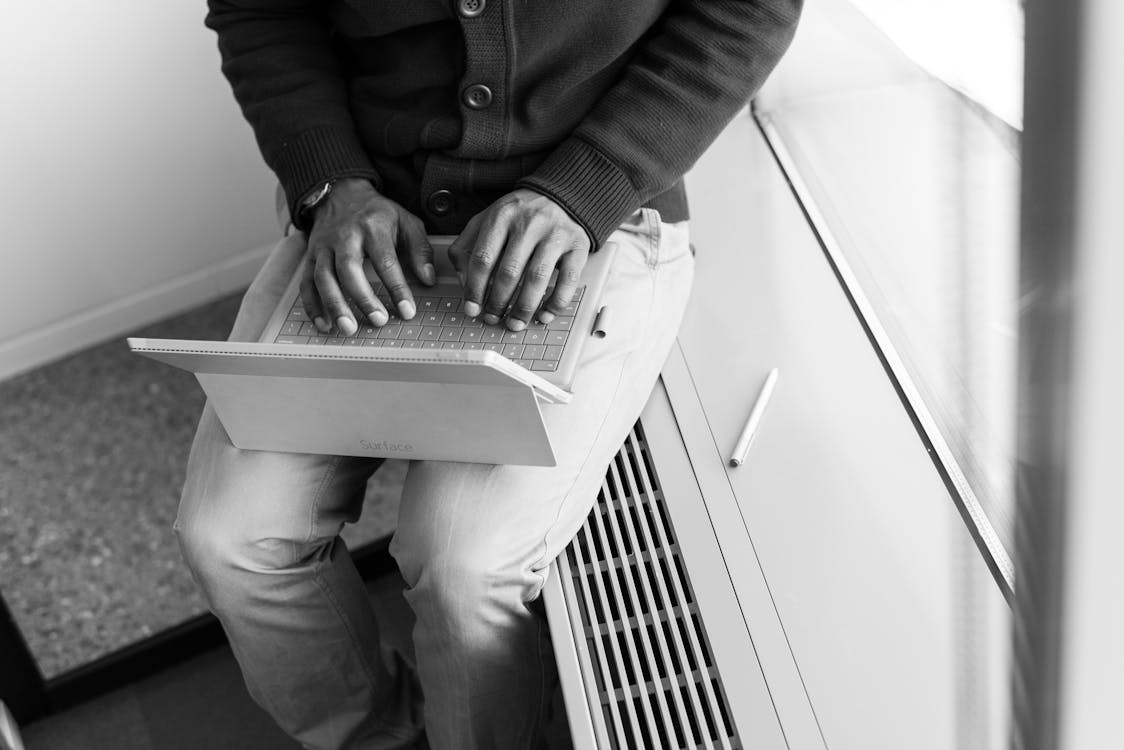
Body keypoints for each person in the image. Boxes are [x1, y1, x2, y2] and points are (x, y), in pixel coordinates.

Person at [178, 1, 801, 748]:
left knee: (462, 565)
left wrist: (584, 187)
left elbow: (746, 10)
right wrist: (330, 185)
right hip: (365, 206)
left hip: (594, 209)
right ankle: (383, 739)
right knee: (229, 536)